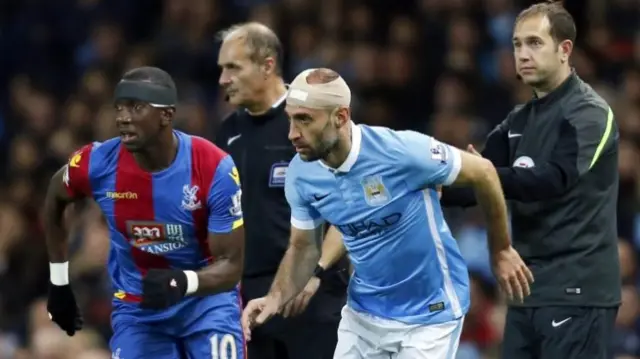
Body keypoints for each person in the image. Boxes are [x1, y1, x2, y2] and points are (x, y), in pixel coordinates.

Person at [242, 67, 534, 359]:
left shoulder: (401, 152)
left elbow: (483, 171)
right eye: (290, 119)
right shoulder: (301, 174)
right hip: (364, 315)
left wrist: (502, 249)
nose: (293, 133)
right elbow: (303, 246)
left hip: (430, 313)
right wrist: (275, 297)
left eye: (304, 119)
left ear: (340, 117)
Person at [441, 2, 621, 358]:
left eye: (535, 43)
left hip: (578, 290)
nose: (522, 54)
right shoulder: (518, 121)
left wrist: (485, 174)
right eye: (517, 44)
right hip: (526, 291)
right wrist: (417, 184)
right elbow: (471, 188)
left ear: (564, 49)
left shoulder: (589, 113)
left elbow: (553, 180)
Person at [44, 66, 246, 358]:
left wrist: (182, 281)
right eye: (119, 108)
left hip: (207, 304)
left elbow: (231, 265)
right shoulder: (97, 163)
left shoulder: (215, 167)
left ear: (167, 115)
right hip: (139, 311)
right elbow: (54, 197)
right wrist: (59, 281)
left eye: (136, 107)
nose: (122, 117)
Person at [214, 22, 349, 359]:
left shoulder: (314, 118)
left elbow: (352, 202)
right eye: (221, 69)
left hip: (311, 294)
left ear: (267, 65)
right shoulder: (226, 133)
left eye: (233, 67)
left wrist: (316, 272)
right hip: (249, 301)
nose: (223, 79)